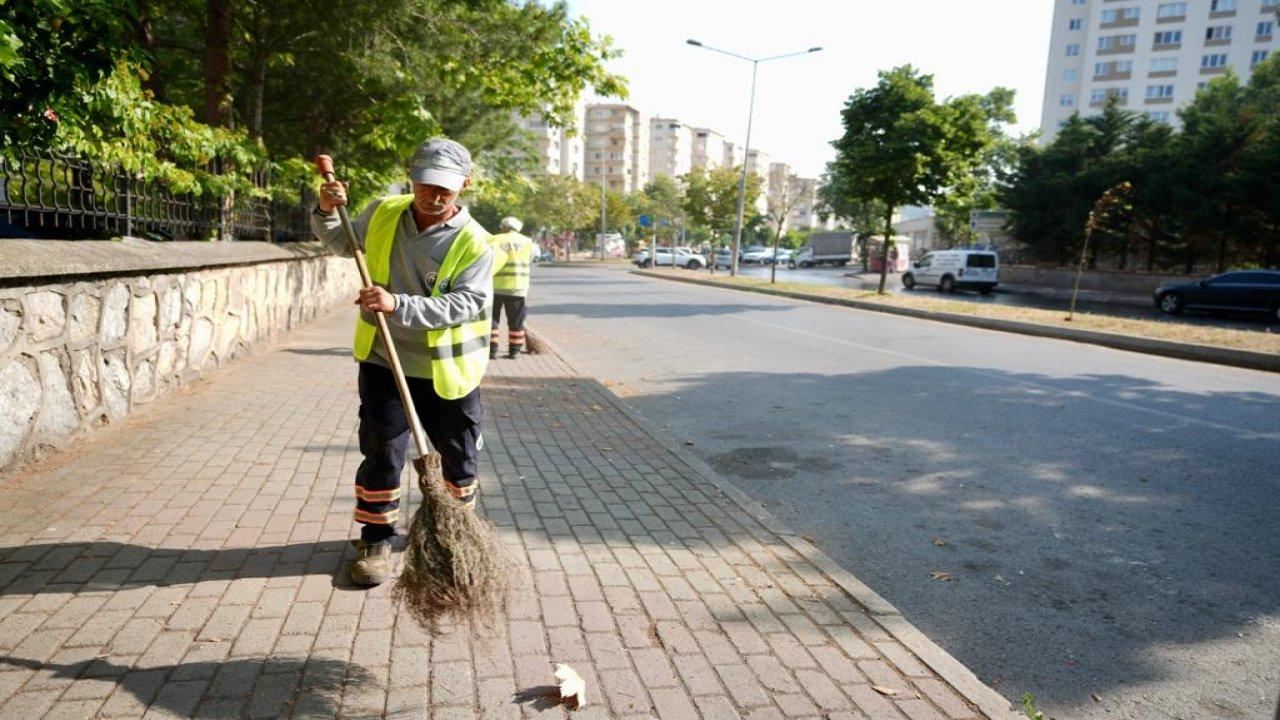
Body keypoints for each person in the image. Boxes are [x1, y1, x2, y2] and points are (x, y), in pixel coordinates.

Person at [312, 137, 494, 587]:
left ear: (465, 185)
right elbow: (341, 241)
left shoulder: (474, 242)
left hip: (447, 370)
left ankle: (453, 535)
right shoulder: (384, 211)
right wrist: (327, 210)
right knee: (382, 451)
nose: (434, 195)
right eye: (426, 183)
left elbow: (466, 303)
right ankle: (375, 539)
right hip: (384, 360)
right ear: (412, 179)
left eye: (445, 187)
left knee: (458, 457)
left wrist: (398, 304)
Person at [488, 216, 535, 359]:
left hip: (495, 287)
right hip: (517, 287)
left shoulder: (494, 240)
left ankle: (492, 350)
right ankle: (514, 351)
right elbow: (531, 259)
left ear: (502, 227)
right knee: (516, 321)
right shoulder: (528, 242)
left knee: (492, 320)